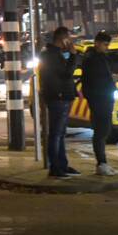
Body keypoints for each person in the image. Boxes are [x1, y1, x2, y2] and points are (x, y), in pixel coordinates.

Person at [40, 26, 80, 178]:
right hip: (59, 97)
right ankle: (55, 168)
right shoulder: (52, 55)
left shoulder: (54, 54)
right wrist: (73, 56)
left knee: (60, 133)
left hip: (61, 96)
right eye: (68, 38)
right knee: (56, 134)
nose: (70, 42)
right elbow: (66, 73)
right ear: (62, 39)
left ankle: (62, 165)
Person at [80, 31, 118, 176]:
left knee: (104, 130)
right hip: (99, 99)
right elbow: (95, 79)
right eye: (105, 44)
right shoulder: (91, 58)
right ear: (97, 43)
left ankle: (103, 163)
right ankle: (101, 163)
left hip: (104, 98)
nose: (107, 47)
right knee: (101, 131)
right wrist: (112, 80)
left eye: (108, 45)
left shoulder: (101, 57)